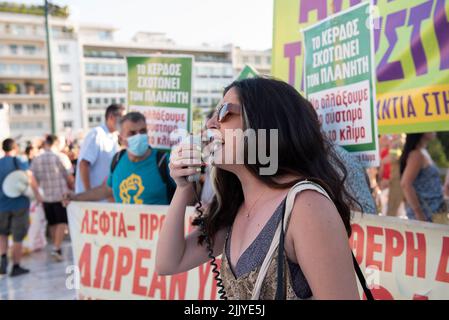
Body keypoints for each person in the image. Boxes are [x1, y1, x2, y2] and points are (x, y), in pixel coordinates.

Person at [156, 78, 360, 299]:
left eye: (224, 112)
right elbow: (168, 262)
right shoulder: (234, 208)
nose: (210, 124)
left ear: (263, 122)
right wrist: (184, 186)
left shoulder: (306, 206)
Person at [63, 112, 176, 205]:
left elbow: (185, 193)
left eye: (142, 131)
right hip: (125, 231)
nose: (139, 136)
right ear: (121, 138)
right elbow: (107, 190)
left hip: (158, 231)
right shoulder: (117, 160)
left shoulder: (163, 161)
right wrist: (76, 197)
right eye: (132, 133)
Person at [0, 138, 41, 277]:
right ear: (15, 148)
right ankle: (16, 266)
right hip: (19, 205)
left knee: (2, 234)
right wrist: (38, 195)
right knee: (18, 237)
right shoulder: (19, 161)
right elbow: (30, 179)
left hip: (1, 206)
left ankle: (3, 261)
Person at [31, 135, 74, 261]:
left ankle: (56, 246)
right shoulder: (60, 157)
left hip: (45, 197)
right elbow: (69, 177)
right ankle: (57, 247)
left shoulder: (37, 158)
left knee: (53, 223)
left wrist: (37, 194)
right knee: (61, 222)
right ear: (56, 143)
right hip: (61, 195)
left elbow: (32, 178)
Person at [75, 104, 125, 196]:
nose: (124, 122)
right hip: (92, 201)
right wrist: (88, 194)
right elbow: (84, 164)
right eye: (122, 119)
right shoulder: (97, 134)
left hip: (103, 198)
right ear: (111, 117)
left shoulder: (114, 137)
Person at [400, 133, 446, 222]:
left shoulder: (423, 152)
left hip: (436, 212)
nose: (434, 130)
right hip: (427, 215)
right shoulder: (416, 155)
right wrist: (419, 214)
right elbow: (405, 184)